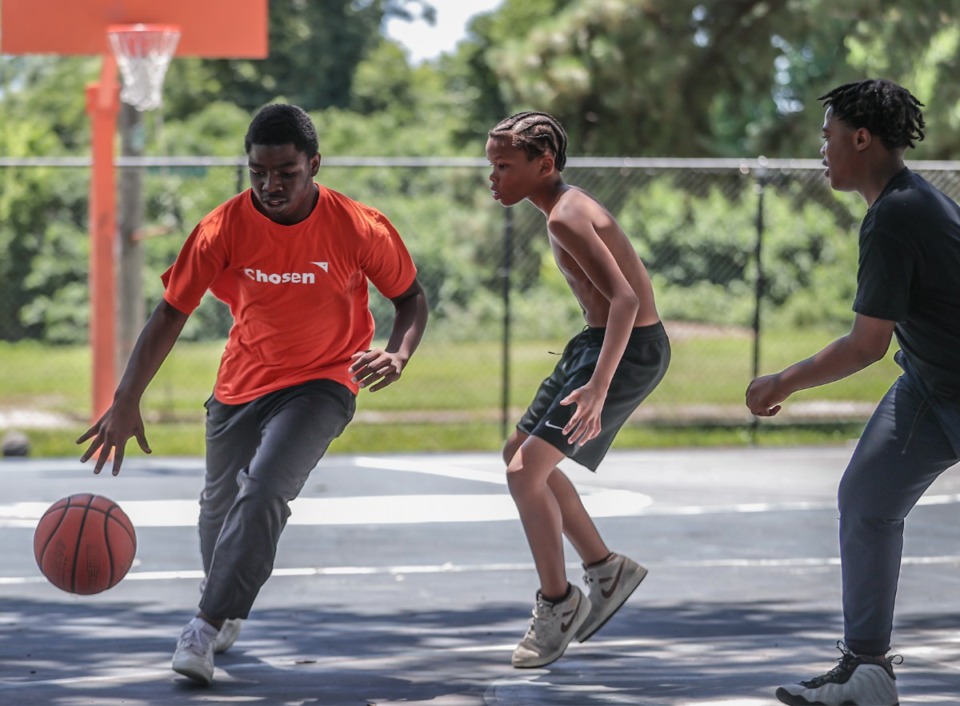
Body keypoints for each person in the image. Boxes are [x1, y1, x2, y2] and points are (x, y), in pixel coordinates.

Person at [77, 103, 428, 685]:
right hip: (242, 382)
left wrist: (398, 352)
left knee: (264, 491)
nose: (270, 185)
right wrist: (126, 398)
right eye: (258, 172)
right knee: (218, 507)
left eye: (286, 173)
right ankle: (223, 597)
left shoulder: (357, 226)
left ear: (314, 165)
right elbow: (170, 314)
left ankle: (205, 625)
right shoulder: (222, 228)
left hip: (323, 382)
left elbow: (411, 298)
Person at [746, 79, 960, 706]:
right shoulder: (901, 205)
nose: (823, 147)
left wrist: (781, 381)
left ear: (860, 138)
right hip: (930, 384)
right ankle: (867, 672)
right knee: (866, 500)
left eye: (828, 134)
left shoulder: (900, 212)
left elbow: (866, 344)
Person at [485, 112, 670, 668]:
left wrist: (598, 386)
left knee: (525, 474)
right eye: (490, 166)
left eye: (503, 166)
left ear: (544, 165)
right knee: (518, 453)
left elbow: (627, 301)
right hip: (594, 341)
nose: (493, 177)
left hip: (627, 350)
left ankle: (560, 603)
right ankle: (606, 569)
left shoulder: (565, 216)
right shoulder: (563, 208)